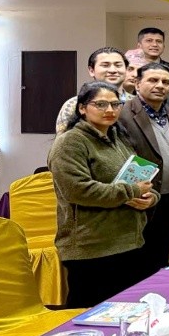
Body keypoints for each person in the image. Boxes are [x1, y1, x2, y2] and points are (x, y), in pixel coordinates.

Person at [48, 82, 159, 307]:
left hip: (128, 242)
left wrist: (150, 198)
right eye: (100, 104)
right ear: (82, 108)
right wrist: (132, 191)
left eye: (115, 104)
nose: (110, 110)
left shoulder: (119, 138)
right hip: (92, 248)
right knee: (90, 317)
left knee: (127, 315)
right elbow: (78, 190)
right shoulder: (70, 142)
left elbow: (139, 181)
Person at [117, 63, 169, 274]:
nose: (160, 86)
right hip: (137, 201)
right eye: (153, 80)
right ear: (137, 83)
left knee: (161, 259)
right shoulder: (122, 115)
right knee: (135, 263)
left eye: (165, 82)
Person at [56, 47, 134, 134]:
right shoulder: (74, 104)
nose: (113, 70)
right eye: (105, 65)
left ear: (126, 69)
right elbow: (64, 139)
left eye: (118, 65)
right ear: (91, 70)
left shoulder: (136, 102)